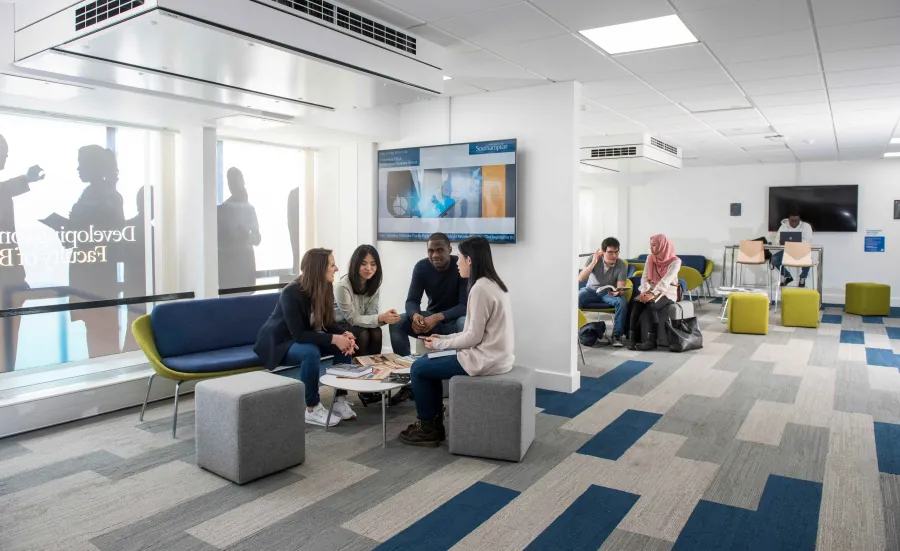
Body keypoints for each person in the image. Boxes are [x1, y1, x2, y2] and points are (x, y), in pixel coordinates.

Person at [399, 236, 514, 447]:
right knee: (427, 362)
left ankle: (428, 428)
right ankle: (433, 422)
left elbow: (472, 337)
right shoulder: (492, 283)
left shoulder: (479, 289)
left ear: (469, 260)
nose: (457, 263)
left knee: (418, 368)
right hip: (496, 356)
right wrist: (442, 338)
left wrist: (439, 344)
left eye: (459, 258)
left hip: (484, 359)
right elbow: (472, 332)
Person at [254, 248, 360, 427]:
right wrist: (334, 338)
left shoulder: (325, 286)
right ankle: (312, 408)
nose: (336, 269)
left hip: (302, 338)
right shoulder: (291, 292)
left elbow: (327, 322)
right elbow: (298, 335)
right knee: (310, 352)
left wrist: (343, 335)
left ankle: (339, 401)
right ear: (319, 268)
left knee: (342, 346)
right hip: (281, 343)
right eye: (332, 265)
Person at [42, 145, 125, 359]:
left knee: (103, 331)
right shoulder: (88, 194)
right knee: (93, 328)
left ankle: (108, 373)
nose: (78, 169)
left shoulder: (110, 197)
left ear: (94, 166)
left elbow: (109, 236)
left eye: (81, 164)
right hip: (85, 271)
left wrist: (73, 229)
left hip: (99, 274)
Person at [0, 134, 44, 371]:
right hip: (6, 281)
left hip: (11, 281)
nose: (5, 158)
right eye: (3, 153)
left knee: (8, 350)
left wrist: (27, 178)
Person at [389, 232, 468, 356]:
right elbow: (412, 300)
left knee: (464, 323)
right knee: (397, 322)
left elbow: (464, 306)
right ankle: (405, 363)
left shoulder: (461, 265)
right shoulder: (422, 267)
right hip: (431, 319)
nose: (435, 255)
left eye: (440, 250)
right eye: (431, 251)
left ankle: (462, 363)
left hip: (455, 320)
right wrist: (415, 316)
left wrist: (436, 317)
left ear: (449, 249)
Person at [334, 244, 400, 356]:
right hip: (340, 325)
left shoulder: (374, 284)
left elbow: (371, 314)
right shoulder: (342, 286)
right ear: (355, 264)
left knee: (376, 331)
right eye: (363, 264)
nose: (369, 268)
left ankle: (373, 365)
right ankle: (358, 365)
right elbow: (352, 319)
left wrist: (387, 318)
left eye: (373, 264)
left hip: (358, 323)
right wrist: (381, 318)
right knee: (362, 334)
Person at [628, 234, 681, 351]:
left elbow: (665, 282)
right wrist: (644, 291)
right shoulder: (650, 258)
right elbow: (645, 277)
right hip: (650, 289)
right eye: (650, 245)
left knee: (651, 304)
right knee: (636, 303)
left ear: (662, 246)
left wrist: (652, 294)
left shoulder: (676, 262)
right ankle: (632, 338)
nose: (651, 248)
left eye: (654, 245)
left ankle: (651, 341)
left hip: (667, 292)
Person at [577, 237, 628, 347]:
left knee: (621, 302)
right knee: (576, 298)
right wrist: (593, 263)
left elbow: (620, 287)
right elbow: (581, 278)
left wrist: (618, 292)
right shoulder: (593, 259)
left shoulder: (621, 265)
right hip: (591, 290)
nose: (614, 256)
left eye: (616, 252)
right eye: (610, 252)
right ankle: (580, 331)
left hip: (608, 293)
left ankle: (616, 336)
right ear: (603, 252)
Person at [217, 167, 260, 290]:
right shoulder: (222, 210)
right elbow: (218, 240)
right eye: (233, 182)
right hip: (229, 269)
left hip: (246, 267)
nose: (237, 185)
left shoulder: (249, 209)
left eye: (239, 181)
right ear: (229, 185)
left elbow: (257, 238)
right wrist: (233, 236)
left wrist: (248, 236)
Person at [771, 210, 813, 287]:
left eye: (796, 221)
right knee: (774, 259)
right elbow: (777, 239)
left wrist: (794, 244)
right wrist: (780, 242)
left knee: (809, 258)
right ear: (789, 219)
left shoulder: (806, 226)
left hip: (801, 250)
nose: (793, 223)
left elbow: (807, 240)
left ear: (799, 220)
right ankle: (787, 276)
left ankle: (803, 277)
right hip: (787, 251)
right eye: (792, 221)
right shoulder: (783, 226)